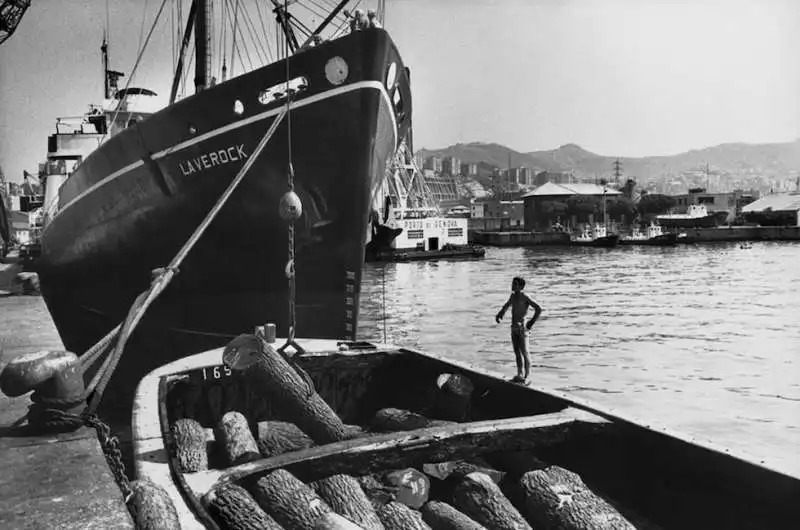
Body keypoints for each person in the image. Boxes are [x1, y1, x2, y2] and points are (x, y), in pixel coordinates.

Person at [495, 277, 542, 384]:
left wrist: (531, 322)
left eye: (515, 284)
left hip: (522, 328)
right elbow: (507, 305)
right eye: (512, 283)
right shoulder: (513, 296)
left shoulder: (524, 297)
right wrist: (500, 314)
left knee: (525, 352)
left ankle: (527, 376)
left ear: (521, 286)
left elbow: (538, 309)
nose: (513, 285)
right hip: (514, 327)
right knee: (517, 352)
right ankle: (519, 374)